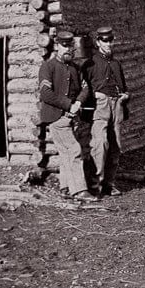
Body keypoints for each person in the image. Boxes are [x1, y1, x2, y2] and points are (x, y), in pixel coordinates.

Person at [38, 31, 94, 201]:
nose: (68, 49)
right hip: (57, 117)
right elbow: (46, 93)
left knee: (65, 153)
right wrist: (69, 104)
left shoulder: (75, 68)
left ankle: (65, 187)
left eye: (70, 45)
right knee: (74, 150)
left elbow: (85, 88)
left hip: (72, 117)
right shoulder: (48, 66)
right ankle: (79, 191)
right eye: (64, 45)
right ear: (57, 46)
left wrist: (78, 103)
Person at [82, 26, 130, 195]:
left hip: (116, 105)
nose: (108, 44)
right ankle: (96, 184)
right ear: (98, 42)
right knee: (100, 143)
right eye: (104, 40)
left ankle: (109, 183)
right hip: (100, 107)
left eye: (110, 40)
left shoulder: (116, 64)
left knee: (116, 146)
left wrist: (125, 96)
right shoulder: (90, 64)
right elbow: (84, 90)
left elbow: (124, 86)